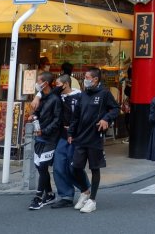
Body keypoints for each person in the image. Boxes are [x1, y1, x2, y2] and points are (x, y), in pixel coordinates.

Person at [69, 67, 119, 214]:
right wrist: (71, 132)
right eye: (85, 77)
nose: (85, 79)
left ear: (95, 79)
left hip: (95, 137)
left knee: (94, 168)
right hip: (80, 137)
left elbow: (115, 109)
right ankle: (85, 191)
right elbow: (76, 116)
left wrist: (105, 119)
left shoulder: (104, 94)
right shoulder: (82, 95)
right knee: (75, 167)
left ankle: (92, 200)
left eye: (87, 77)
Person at [50, 74, 87, 208]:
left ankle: (86, 190)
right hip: (62, 137)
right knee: (58, 166)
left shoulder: (80, 97)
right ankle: (66, 196)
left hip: (77, 137)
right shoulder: (57, 97)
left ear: (65, 84)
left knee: (73, 167)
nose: (56, 87)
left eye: (58, 84)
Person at [28, 71, 62, 209]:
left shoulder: (55, 99)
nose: (37, 84)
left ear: (45, 83)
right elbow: (38, 113)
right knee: (40, 167)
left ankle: (38, 197)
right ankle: (49, 193)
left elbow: (57, 120)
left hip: (50, 138)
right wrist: (33, 116)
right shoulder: (41, 97)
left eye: (38, 81)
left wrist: (45, 130)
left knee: (42, 166)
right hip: (39, 137)